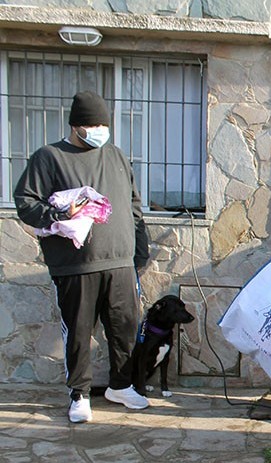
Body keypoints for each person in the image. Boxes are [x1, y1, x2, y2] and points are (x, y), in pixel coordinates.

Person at [14, 91, 151, 423]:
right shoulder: (49, 157)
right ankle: (79, 394)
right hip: (76, 264)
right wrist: (56, 215)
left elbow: (133, 207)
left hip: (119, 261)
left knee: (124, 328)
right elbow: (25, 201)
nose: (99, 130)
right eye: (93, 124)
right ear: (76, 126)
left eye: (104, 123)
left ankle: (120, 385)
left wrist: (140, 250)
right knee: (77, 331)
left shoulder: (116, 156)